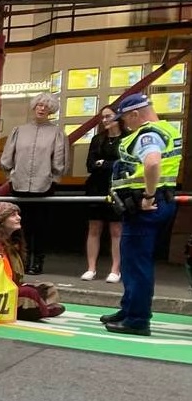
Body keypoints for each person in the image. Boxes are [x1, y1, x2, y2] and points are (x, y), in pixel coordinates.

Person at [103, 92, 182, 336]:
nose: (124, 124)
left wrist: (147, 196)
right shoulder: (167, 129)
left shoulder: (148, 134)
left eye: (125, 119)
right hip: (158, 201)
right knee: (132, 260)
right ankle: (129, 309)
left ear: (135, 114)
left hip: (146, 205)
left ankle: (137, 319)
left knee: (137, 263)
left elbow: (151, 162)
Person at [0, 92, 68, 275]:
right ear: (34, 107)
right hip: (19, 184)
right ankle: (20, 259)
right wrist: (11, 176)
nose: (42, 108)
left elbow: (59, 162)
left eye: (46, 106)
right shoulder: (19, 130)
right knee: (18, 225)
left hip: (43, 186)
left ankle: (37, 261)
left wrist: (52, 179)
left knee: (40, 227)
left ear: (51, 110)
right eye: (39, 104)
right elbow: (6, 158)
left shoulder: (56, 133)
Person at [0, 202, 65, 321]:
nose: (19, 217)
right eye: (13, 215)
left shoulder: (12, 243)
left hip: (10, 291)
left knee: (47, 288)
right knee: (28, 293)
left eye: (18, 214)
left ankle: (38, 307)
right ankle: (42, 309)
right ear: (1, 221)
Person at [82, 105, 124, 283]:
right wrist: (104, 164)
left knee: (116, 229)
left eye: (109, 116)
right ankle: (91, 268)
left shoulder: (127, 138)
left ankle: (116, 269)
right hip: (96, 187)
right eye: (103, 117)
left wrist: (104, 163)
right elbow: (90, 164)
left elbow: (122, 164)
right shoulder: (97, 139)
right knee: (94, 228)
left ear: (118, 117)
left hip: (117, 187)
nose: (105, 120)